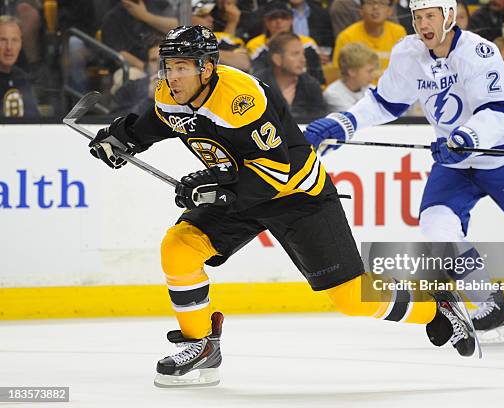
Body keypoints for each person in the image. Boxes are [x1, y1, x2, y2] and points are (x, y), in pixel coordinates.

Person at [87, 25, 479, 387]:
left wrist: (213, 188)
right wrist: (126, 138)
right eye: (169, 66)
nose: (173, 76)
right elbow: (162, 121)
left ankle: (437, 306)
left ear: (207, 68)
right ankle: (202, 346)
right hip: (238, 189)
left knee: (352, 298)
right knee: (179, 247)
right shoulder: (170, 92)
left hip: (297, 195)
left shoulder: (240, 100)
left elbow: (275, 173)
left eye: (183, 67)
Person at [304, 0, 504, 344]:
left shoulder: (479, 52)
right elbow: (383, 102)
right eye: (417, 17)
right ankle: (491, 310)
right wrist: (340, 124)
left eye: (430, 16)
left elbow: (498, 112)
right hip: (456, 162)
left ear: (448, 16)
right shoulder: (408, 54)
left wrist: (465, 137)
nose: (422, 24)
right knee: (437, 227)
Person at [246, 1, 324, 84]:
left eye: (284, 17)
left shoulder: (308, 43)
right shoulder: (255, 44)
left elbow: (317, 75)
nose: (279, 21)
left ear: (291, 20)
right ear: (266, 21)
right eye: (273, 17)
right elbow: (258, 75)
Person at [255, 32, 327, 119]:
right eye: (295, 54)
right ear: (277, 59)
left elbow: (320, 119)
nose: (303, 60)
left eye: (303, 54)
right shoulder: (258, 85)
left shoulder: (311, 85)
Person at [333, 0, 407, 72]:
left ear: (390, 11)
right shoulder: (346, 37)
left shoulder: (399, 33)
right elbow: (339, 73)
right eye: (370, 2)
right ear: (361, 10)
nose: (375, 7)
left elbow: (405, 67)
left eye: (382, 3)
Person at [0, 15, 39, 118]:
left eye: (14, 40)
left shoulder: (22, 78)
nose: (9, 47)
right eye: (3, 40)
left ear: (21, 44)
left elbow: (34, 121)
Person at [324, 42, 379, 111]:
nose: (373, 75)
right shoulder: (333, 94)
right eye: (369, 71)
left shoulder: (371, 88)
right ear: (352, 72)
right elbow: (356, 118)